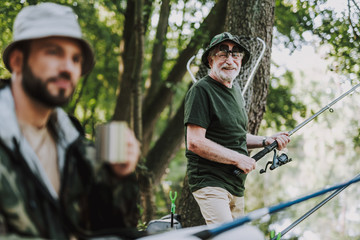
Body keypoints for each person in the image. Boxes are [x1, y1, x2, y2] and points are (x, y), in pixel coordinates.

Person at [0, 3, 141, 239]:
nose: (68, 68)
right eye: (53, 52)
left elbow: (118, 227)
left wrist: (119, 176)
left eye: (76, 59)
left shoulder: (78, 145)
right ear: (17, 61)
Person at [184, 32, 291, 225]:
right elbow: (194, 142)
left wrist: (266, 140)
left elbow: (236, 136)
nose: (230, 60)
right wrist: (238, 158)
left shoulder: (235, 92)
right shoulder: (201, 90)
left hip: (235, 184)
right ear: (210, 60)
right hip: (210, 181)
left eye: (235, 55)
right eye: (222, 54)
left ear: (240, 61)